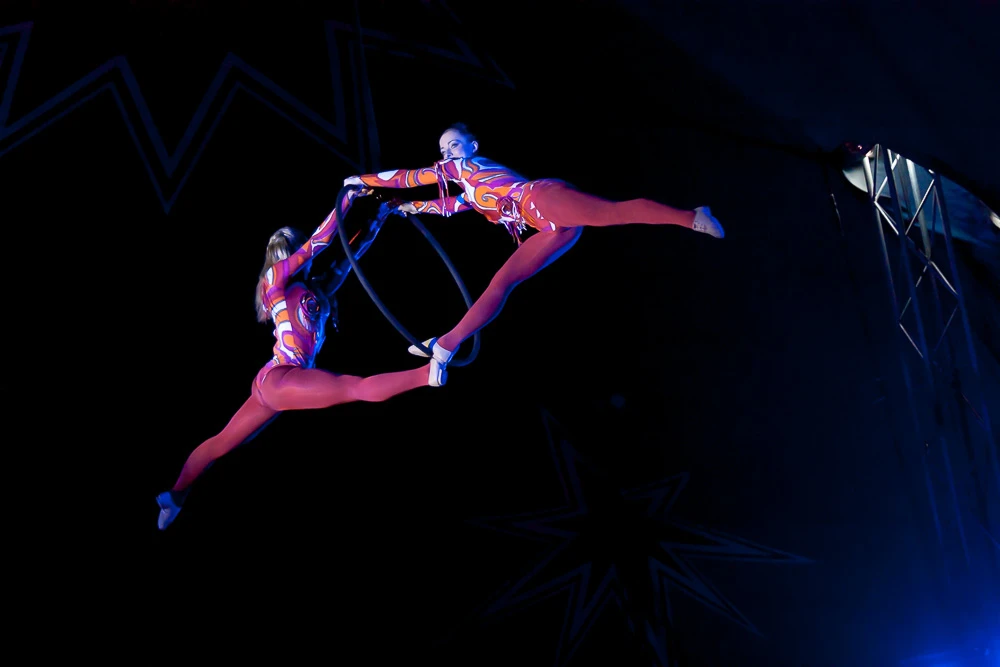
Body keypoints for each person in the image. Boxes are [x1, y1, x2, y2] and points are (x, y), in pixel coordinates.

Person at [343, 122, 725, 385]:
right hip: (551, 229)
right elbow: (445, 206)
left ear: (472, 147)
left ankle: (691, 216)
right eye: (442, 149)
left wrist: (360, 180)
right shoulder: (471, 192)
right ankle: (444, 347)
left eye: (453, 145)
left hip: (542, 198)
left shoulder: (468, 167)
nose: (446, 154)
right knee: (500, 284)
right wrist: (405, 208)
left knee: (611, 213)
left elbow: (410, 178)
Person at [155, 189, 437, 531]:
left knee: (223, 443)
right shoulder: (274, 283)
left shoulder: (316, 288)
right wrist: (347, 199)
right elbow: (318, 243)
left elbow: (351, 254)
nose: (308, 254)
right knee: (354, 388)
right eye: (301, 249)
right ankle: (428, 373)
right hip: (281, 378)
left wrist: (379, 216)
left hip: (275, 381)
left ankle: (175, 497)